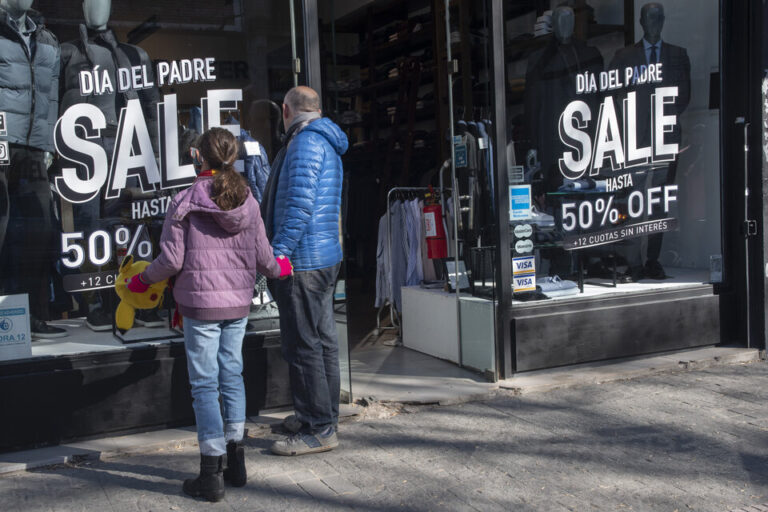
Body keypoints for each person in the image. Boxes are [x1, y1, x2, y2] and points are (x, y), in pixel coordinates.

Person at [124, 127, 293, 501]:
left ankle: (210, 473)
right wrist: (284, 267)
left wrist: (140, 282)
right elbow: (266, 260)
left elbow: (171, 260)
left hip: (200, 305)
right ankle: (236, 462)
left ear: (198, 157)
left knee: (204, 384)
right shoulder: (248, 200)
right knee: (231, 375)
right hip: (237, 304)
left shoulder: (184, 200)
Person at [262, 86, 348, 456]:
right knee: (323, 341)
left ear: (286, 110)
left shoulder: (304, 144)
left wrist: (277, 255)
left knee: (305, 346)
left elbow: (298, 207)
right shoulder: (323, 140)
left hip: (304, 262)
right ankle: (321, 415)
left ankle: (318, 428)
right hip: (323, 256)